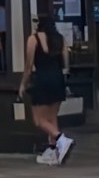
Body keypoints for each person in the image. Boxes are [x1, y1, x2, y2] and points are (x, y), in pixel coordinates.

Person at [24, 20, 73, 165]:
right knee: (52, 117)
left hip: (42, 79)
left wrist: (23, 84)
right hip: (58, 79)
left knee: (39, 119)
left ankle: (61, 139)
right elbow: (66, 62)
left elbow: (28, 65)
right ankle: (54, 152)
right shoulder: (60, 39)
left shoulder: (34, 39)